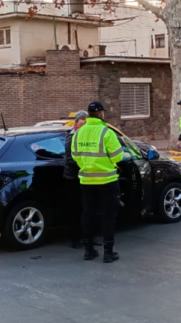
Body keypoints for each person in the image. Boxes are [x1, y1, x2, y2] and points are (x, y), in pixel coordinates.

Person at [71, 102, 124, 263]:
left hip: (86, 180)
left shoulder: (79, 133)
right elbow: (118, 156)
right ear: (101, 114)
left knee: (87, 215)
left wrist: (87, 166)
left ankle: (88, 251)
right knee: (108, 217)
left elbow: (75, 155)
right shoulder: (106, 132)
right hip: (107, 180)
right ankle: (108, 253)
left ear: (87, 114)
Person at [64, 111, 88, 249]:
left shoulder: (86, 135)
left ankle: (87, 237)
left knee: (87, 208)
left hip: (85, 177)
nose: (84, 122)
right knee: (75, 209)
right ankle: (75, 239)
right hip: (73, 178)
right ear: (77, 121)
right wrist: (86, 165)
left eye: (86, 119)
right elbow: (70, 159)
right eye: (82, 119)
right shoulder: (72, 136)